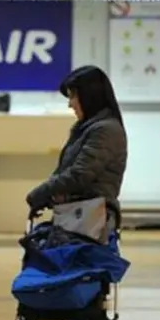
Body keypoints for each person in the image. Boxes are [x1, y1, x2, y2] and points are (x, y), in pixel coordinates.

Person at [25, 65, 127, 216]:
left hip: (91, 221)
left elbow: (79, 175)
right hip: (79, 216)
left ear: (89, 96)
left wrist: (42, 192)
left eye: (73, 96)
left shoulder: (105, 131)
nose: (70, 104)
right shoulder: (88, 128)